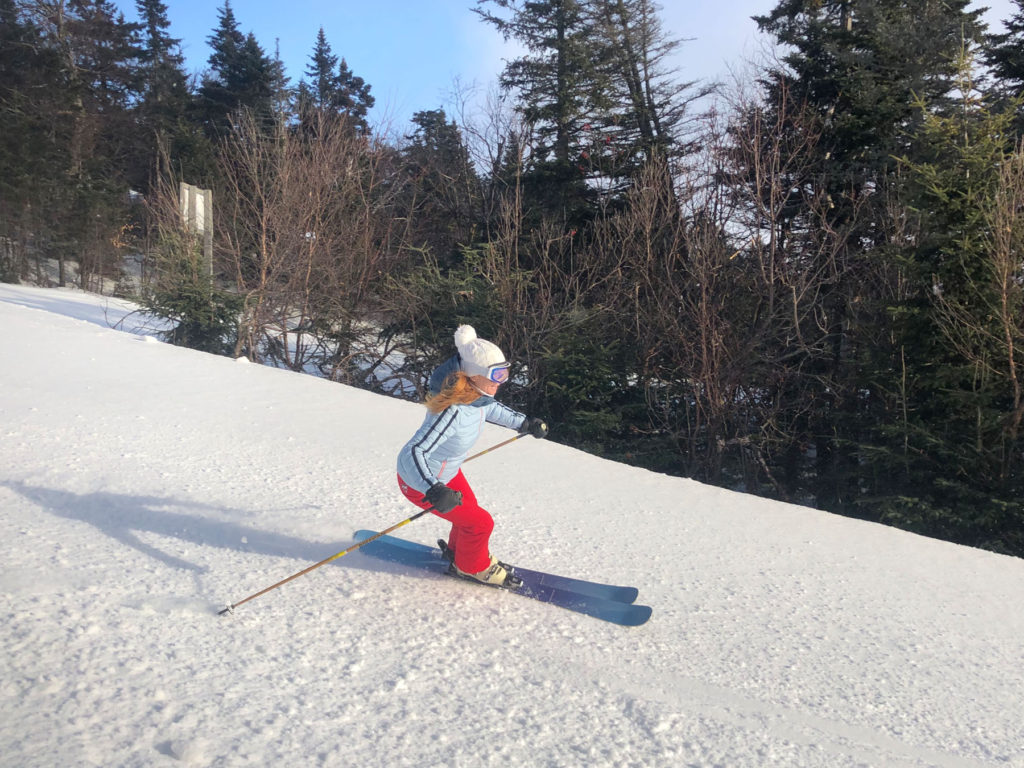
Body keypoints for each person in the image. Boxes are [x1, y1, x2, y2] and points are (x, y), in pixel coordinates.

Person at [396, 325, 548, 586]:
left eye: (504, 373)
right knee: (480, 523)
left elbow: (493, 410)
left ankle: (460, 554)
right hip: (421, 482)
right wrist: (433, 489)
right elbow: (412, 452)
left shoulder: (477, 398)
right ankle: (472, 567)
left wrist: (524, 423)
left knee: (471, 511)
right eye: (495, 375)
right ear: (473, 375)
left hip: (447, 473)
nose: (500, 381)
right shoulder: (452, 410)